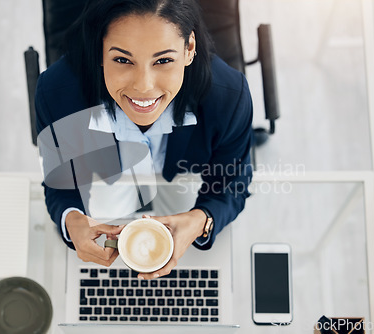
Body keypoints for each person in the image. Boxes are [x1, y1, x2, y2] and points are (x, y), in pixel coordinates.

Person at [35, 0, 253, 280]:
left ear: (189, 50)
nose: (143, 87)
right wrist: (72, 219)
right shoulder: (57, 93)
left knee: (181, 214)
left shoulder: (229, 95)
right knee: (104, 213)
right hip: (107, 172)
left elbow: (232, 182)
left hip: (181, 173)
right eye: (123, 60)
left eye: (163, 60)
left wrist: (201, 219)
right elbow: (60, 182)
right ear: (99, 50)